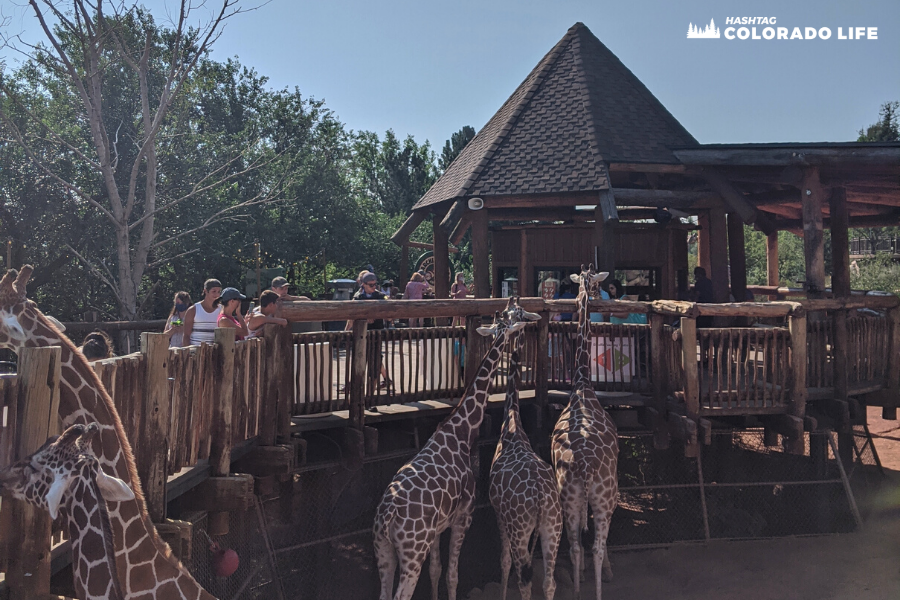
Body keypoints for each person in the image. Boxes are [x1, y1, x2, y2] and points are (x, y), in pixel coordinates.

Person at [352, 272, 391, 390]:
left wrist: (378, 314)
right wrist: (364, 317)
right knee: (359, 362)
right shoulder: (357, 298)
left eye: (375, 284)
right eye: (371, 285)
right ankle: (358, 390)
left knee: (375, 362)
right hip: (361, 335)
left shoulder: (380, 296)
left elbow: (388, 312)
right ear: (363, 284)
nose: (374, 287)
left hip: (376, 334)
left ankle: (371, 393)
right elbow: (352, 313)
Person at [183, 279, 222, 346]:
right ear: (206, 291)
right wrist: (187, 353)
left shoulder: (221, 309)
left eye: (218, 292)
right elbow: (186, 335)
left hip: (215, 351)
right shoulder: (193, 310)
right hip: (195, 351)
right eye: (214, 291)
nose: (217, 294)